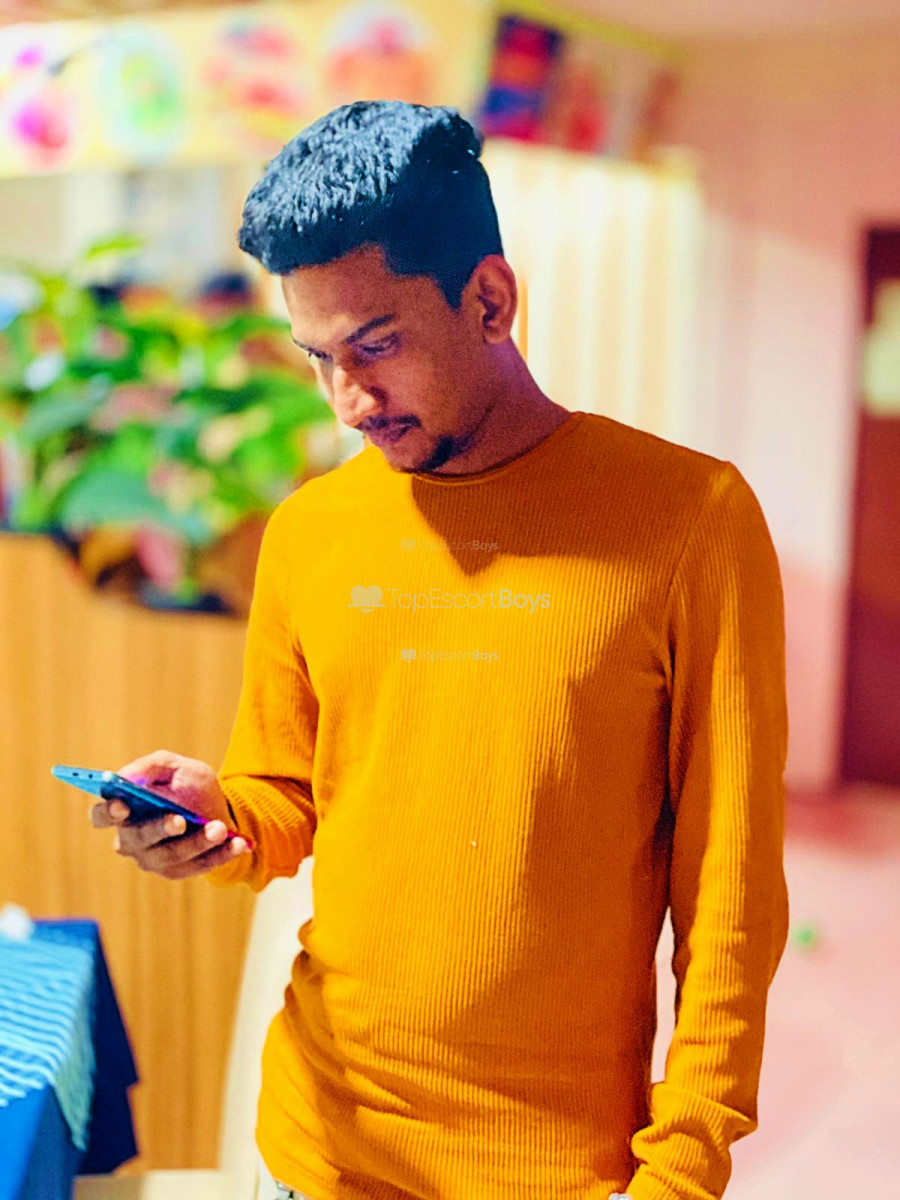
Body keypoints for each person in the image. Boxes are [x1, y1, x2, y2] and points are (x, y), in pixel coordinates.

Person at [90, 100, 790, 1200]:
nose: (349, 400)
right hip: (318, 1143)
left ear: (491, 300)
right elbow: (286, 796)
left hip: (553, 1168)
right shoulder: (312, 530)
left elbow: (731, 889)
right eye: (318, 358)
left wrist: (685, 1165)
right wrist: (216, 817)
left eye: (377, 346)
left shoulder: (689, 521)